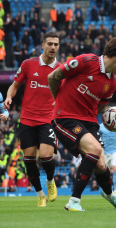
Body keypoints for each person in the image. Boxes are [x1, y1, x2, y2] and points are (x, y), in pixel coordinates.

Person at [48, 37, 116, 211]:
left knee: (100, 164)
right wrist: (58, 101)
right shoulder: (85, 61)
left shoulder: (111, 84)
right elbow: (53, 77)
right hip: (65, 117)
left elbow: (99, 109)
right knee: (95, 150)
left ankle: (109, 194)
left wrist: (111, 118)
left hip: (89, 121)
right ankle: (74, 201)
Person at [5, 32, 61, 207]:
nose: (53, 47)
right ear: (42, 46)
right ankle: (40, 194)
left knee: (46, 156)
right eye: (50, 44)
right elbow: (14, 87)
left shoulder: (62, 69)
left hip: (48, 119)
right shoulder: (28, 64)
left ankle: (50, 181)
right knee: (29, 160)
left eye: (56, 44)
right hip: (27, 119)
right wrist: (8, 98)